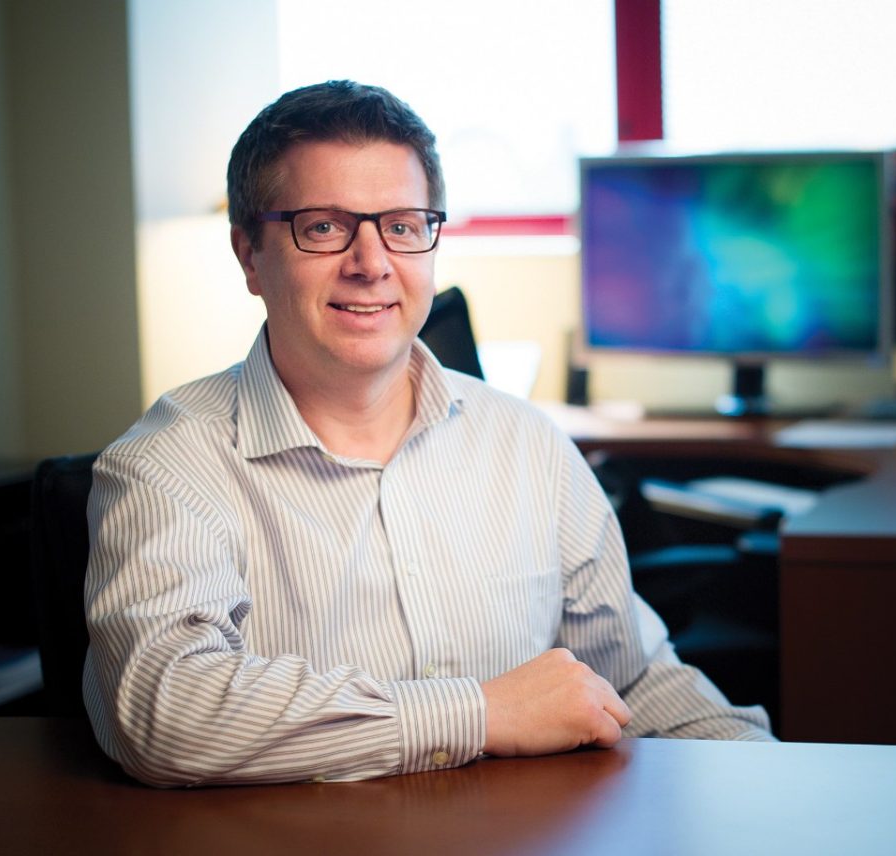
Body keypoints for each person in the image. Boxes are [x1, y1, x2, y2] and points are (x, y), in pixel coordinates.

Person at [83, 80, 774, 788]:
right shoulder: (166, 467)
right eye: (323, 226)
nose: (372, 261)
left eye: (404, 226)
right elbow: (165, 713)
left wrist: (774, 783)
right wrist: (479, 713)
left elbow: (632, 679)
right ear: (250, 255)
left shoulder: (527, 447)